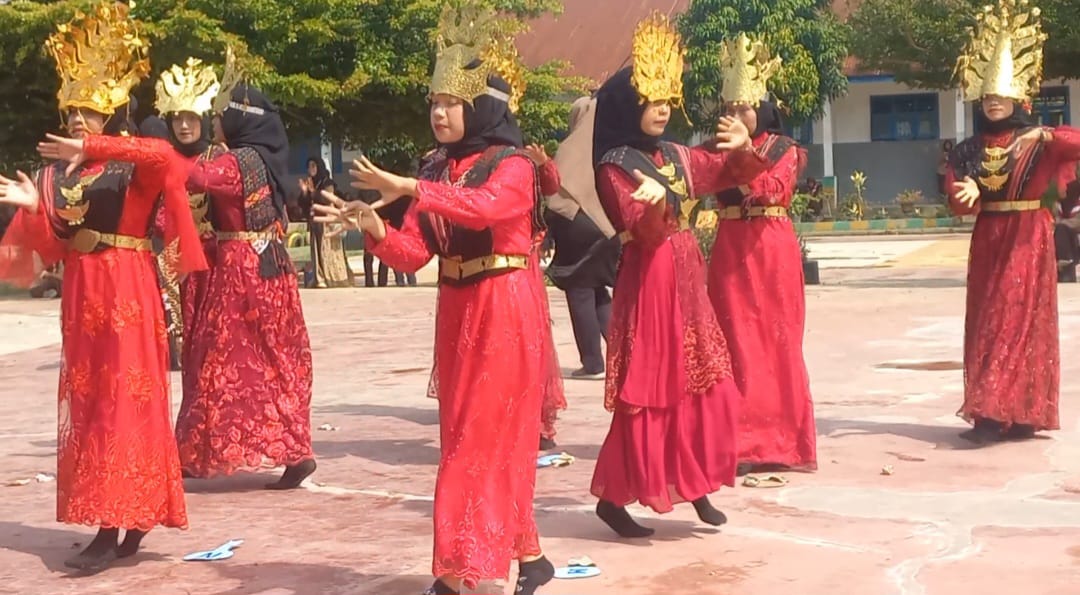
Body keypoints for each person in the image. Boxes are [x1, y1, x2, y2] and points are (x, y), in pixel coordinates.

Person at [314, 7, 555, 594]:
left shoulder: (516, 164)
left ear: (483, 107)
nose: (439, 112)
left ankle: (457, 573)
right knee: (466, 436)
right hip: (457, 307)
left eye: (451, 101)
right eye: (434, 101)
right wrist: (373, 226)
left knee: (481, 438)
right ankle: (529, 557)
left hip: (504, 304)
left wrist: (413, 188)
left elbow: (489, 209)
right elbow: (413, 254)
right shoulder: (435, 168)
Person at [0, 2, 202, 572]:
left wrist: (96, 147)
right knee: (90, 405)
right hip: (83, 294)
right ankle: (112, 516)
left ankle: (122, 520)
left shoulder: (132, 162)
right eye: (71, 115)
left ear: (110, 115)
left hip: (127, 291)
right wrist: (31, 206)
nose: (76, 124)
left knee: (124, 403)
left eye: (87, 114)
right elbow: (54, 244)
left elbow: (167, 155)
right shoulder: (68, 174)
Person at [589, 14, 767, 538]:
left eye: (668, 99)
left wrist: (742, 146)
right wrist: (650, 205)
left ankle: (698, 484)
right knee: (652, 391)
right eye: (651, 100)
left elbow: (725, 175)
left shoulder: (676, 155)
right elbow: (640, 230)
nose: (662, 109)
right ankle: (615, 497)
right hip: (650, 283)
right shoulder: (615, 164)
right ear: (630, 105)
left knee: (704, 382)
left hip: (688, 278)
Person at [177, 51, 316, 488]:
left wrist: (160, 154)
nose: (213, 122)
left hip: (242, 273)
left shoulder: (239, 162)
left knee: (218, 359)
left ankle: (199, 451)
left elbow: (199, 178)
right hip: (269, 270)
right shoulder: (265, 157)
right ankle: (292, 448)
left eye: (218, 115)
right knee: (275, 359)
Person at [947, 0, 1080, 444]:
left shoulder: (1038, 141)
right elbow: (957, 195)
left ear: (1019, 96)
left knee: (1022, 321)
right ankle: (990, 411)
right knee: (989, 318)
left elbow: (1077, 143)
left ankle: (1020, 414)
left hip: (1029, 237)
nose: (994, 102)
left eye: (1001, 96)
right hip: (989, 237)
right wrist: (964, 195)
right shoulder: (967, 150)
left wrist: (1048, 133)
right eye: (987, 97)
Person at [707, 34, 816, 474]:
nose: (736, 116)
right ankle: (737, 440)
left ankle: (777, 442)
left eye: (744, 108)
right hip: (731, 247)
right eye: (730, 109)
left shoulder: (785, 150)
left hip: (770, 248)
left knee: (775, 341)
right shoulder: (716, 149)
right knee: (734, 341)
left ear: (762, 108)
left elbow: (773, 190)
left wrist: (746, 153)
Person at [541, 96, 622, 381]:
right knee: (598, 291)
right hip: (608, 229)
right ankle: (621, 357)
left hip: (577, 224)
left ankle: (593, 362)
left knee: (579, 290)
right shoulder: (608, 145)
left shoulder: (569, 147)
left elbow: (554, 193)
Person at [300, 157, 352, 287]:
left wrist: (312, 193)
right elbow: (303, 203)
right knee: (317, 251)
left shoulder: (327, 183)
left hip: (328, 221)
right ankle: (319, 278)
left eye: (313, 166)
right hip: (315, 221)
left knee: (328, 251)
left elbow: (327, 200)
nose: (310, 169)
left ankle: (333, 278)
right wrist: (305, 193)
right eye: (309, 166)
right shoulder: (310, 182)